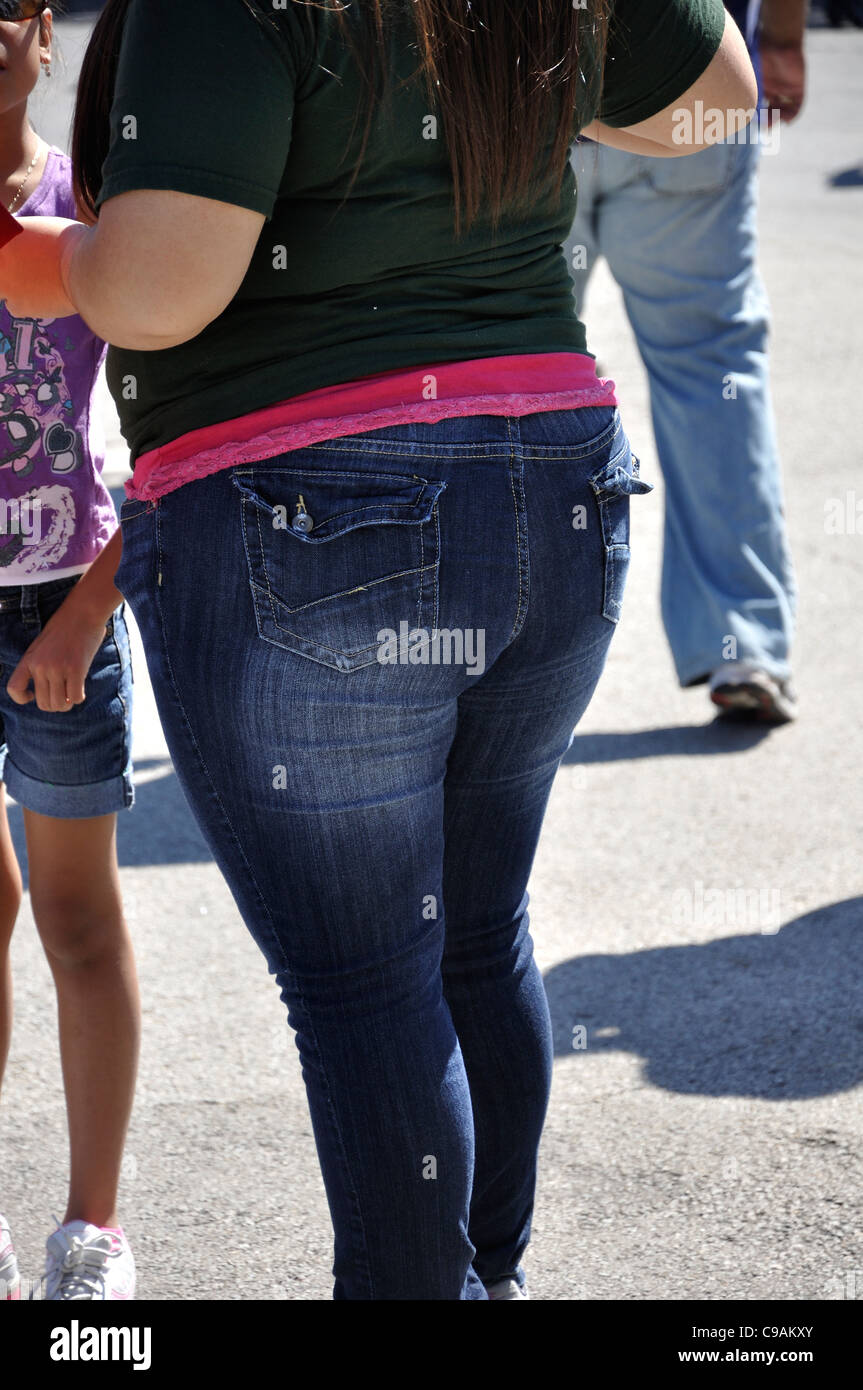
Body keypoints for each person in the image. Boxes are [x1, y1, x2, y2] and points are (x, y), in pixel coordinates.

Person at [0, 0, 756, 1300]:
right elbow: (714, 98)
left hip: (314, 511)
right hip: (550, 477)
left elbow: (158, 290)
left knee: (368, 990)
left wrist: (50, 262)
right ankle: (490, 1274)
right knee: (476, 930)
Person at [0, 2, 137, 1302]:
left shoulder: (90, 195)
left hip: (64, 608)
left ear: (43, 31)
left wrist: (89, 609)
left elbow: (171, 419)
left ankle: (88, 1235)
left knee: (78, 915)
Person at [564, 1, 806, 724]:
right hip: (688, 87)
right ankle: (745, 644)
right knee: (712, 373)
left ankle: (468, 643)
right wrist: (785, 42)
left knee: (495, 366)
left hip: (525, 100)